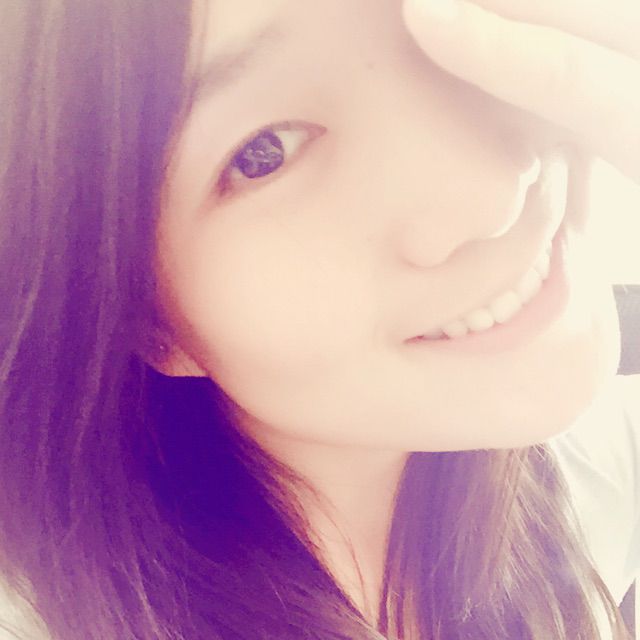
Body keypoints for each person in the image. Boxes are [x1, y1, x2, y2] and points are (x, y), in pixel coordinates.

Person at [0, 1, 639, 638]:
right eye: (265, 153)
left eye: (459, 35)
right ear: (143, 319)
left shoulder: (586, 474)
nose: (494, 191)